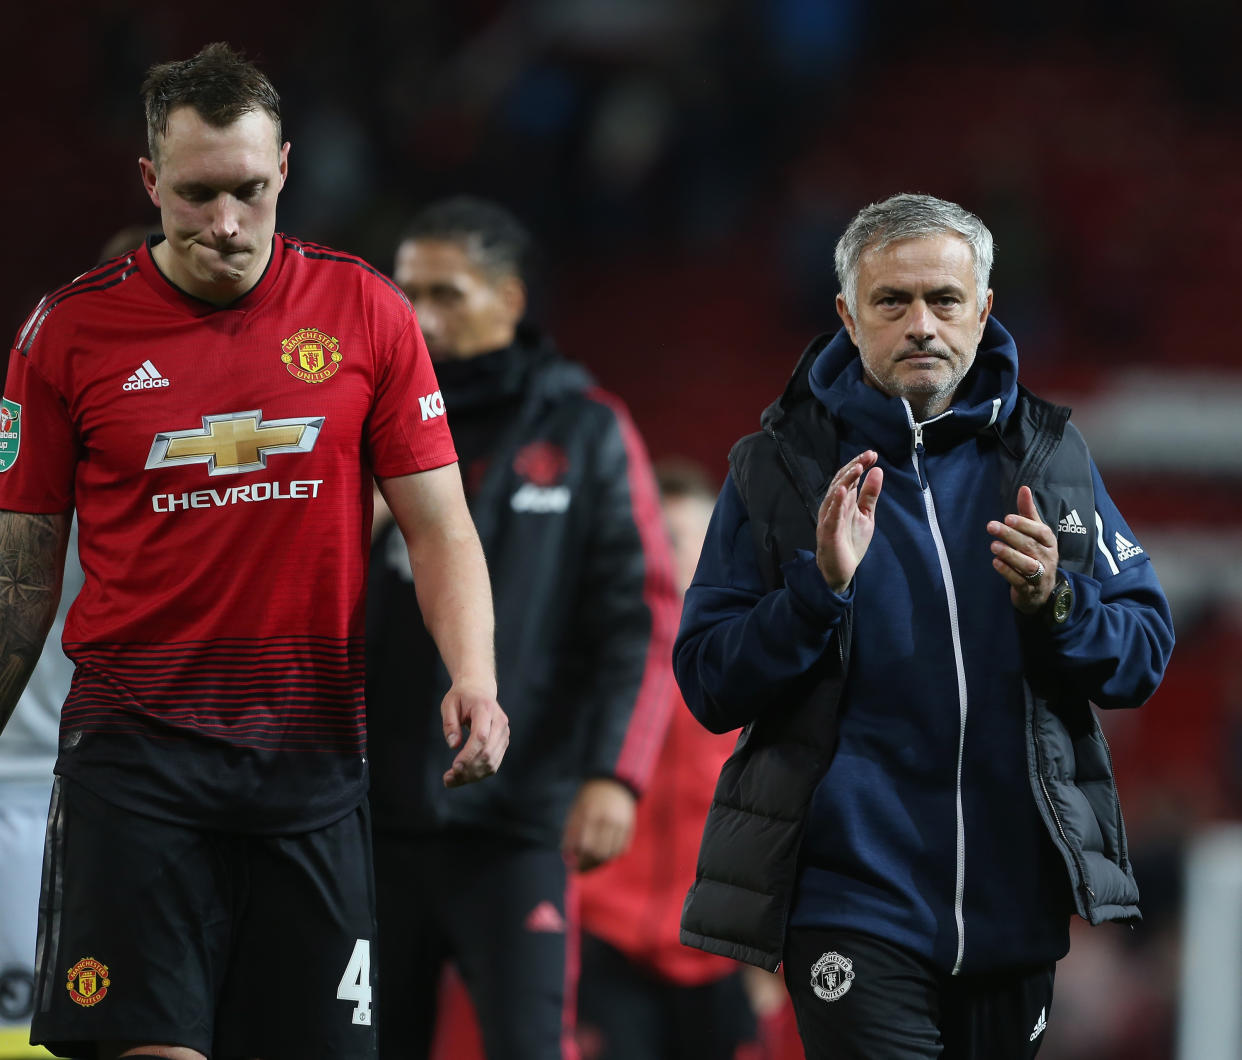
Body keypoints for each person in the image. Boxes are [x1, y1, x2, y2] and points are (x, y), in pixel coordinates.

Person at [0, 42, 508, 1060]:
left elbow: (440, 520)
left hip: (310, 767)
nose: (225, 224)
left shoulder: (367, 310)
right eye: (194, 196)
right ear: (150, 182)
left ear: (284, 165)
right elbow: (21, 570)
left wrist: (477, 675)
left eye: (244, 190)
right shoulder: (67, 334)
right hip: (134, 762)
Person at [673, 193, 1175, 1060]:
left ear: (982, 311)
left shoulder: (1050, 456)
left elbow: (1142, 653)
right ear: (847, 315)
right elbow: (709, 680)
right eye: (891, 301)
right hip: (849, 901)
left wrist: (1058, 601)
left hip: (1013, 908)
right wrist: (815, 591)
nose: (921, 325)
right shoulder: (777, 469)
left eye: (944, 301)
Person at [366, 195, 678, 1060]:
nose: (418, 317)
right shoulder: (364, 422)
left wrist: (616, 775)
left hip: (517, 819)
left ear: (508, 300)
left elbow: (641, 617)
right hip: (367, 814)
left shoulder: (587, 431)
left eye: (446, 294)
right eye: (406, 294)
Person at [574, 459, 760, 1060]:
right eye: (659, 539)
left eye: (694, 543)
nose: (675, 560)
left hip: (724, 950)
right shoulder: (589, 664)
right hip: (604, 940)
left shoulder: (760, 664)